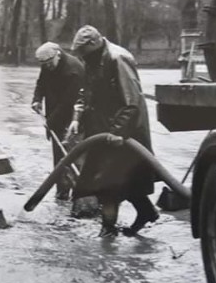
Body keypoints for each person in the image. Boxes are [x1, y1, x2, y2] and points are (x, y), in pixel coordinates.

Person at [67, 25, 159, 237]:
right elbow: (86, 91)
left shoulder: (117, 58)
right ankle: (146, 212)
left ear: (93, 44)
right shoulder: (92, 59)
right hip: (101, 130)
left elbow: (132, 100)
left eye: (82, 51)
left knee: (109, 183)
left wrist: (118, 131)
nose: (80, 56)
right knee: (122, 179)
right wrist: (76, 118)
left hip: (124, 132)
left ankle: (108, 231)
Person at [31, 42, 85, 200]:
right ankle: (62, 192)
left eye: (49, 63)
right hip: (55, 115)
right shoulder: (47, 65)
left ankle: (78, 194)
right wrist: (37, 99)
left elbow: (68, 102)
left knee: (72, 155)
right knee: (58, 156)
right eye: (44, 65)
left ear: (58, 55)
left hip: (73, 118)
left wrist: (50, 122)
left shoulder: (74, 70)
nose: (47, 67)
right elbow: (40, 83)